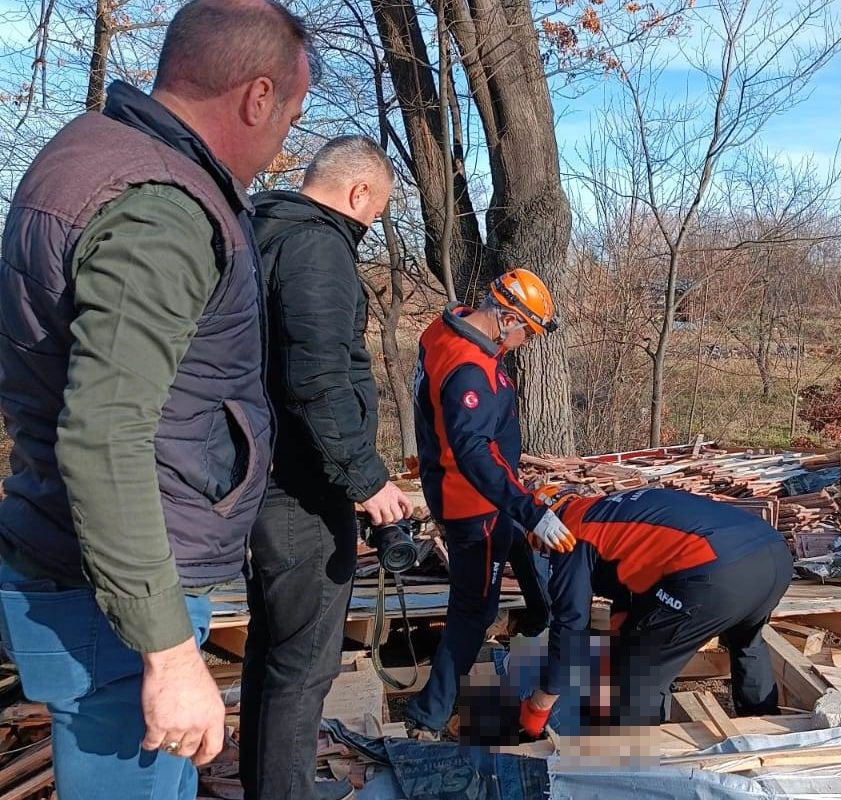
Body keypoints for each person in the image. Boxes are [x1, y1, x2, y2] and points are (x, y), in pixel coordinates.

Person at [0, 1, 313, 797]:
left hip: (98, 576)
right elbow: (104, 435)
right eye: (291, 115)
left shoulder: (95, 153)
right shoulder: (162, 210)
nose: (285, 141)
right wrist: (168, 651)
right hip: (118, 606)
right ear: (255, 97)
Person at [239, 136, 413, 800]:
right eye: (377, 209)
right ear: (359, 191)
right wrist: (365, 478)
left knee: (277, 653)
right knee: (305, 665)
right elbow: (317, 378)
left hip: (274, 476)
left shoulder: (265, 234)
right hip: (303, 491)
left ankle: (269, 785)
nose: (371, 225)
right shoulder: (317, 247)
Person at [405, 270, 575, 740]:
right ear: (505, 317)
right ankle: (429, 713)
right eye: (526, 332)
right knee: (474, 609)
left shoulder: (448, 328)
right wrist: (529, 508)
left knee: (514, 539)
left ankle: (536, 616)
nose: (524, 343)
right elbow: (473, 451)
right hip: (470, 503)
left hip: (486, 494)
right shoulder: (468, 371)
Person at [518, 485, 793, 737]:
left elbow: (569, 625)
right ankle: (764, 730)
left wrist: (540, 704)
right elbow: (635, 579)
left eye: (539, 543)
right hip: (773, 555)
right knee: (747, 642)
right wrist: (620, 639)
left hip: (715, 571)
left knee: (638, 675)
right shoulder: (611, 510)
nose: (545, 551)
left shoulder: (571, 534)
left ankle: (642, 763)